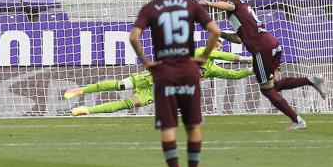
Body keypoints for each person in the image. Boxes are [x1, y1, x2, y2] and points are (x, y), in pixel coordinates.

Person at [129, 0, 220, 167]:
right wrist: (203, 57)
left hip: (165, 72)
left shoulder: (150, 8)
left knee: (169, 126)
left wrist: (147, 62)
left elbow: (134, 37)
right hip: (189, 70)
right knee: (192, 125)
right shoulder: (191, 5)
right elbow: (215, 32)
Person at [199, 0, 326, 130]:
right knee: (274, 86)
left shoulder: (234, 5)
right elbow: (238, 39)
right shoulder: (243, 8)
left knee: (266, 89)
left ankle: (297, 120)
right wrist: (219, 32)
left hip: (261, 49)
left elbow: (229, 6)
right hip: (272, 44)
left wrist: (208, 3)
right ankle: (311, 80)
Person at [64, 39, 253, 116]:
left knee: (127, 104)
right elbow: (224, 57)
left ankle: (87, 109)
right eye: (216, 44)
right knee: (120, 86)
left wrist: (253, 70)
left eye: (219, 44)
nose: (217, 47)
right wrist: (245, 58)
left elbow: (233, 75)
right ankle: (81, 90)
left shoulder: (211, 70)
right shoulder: (201, 51)